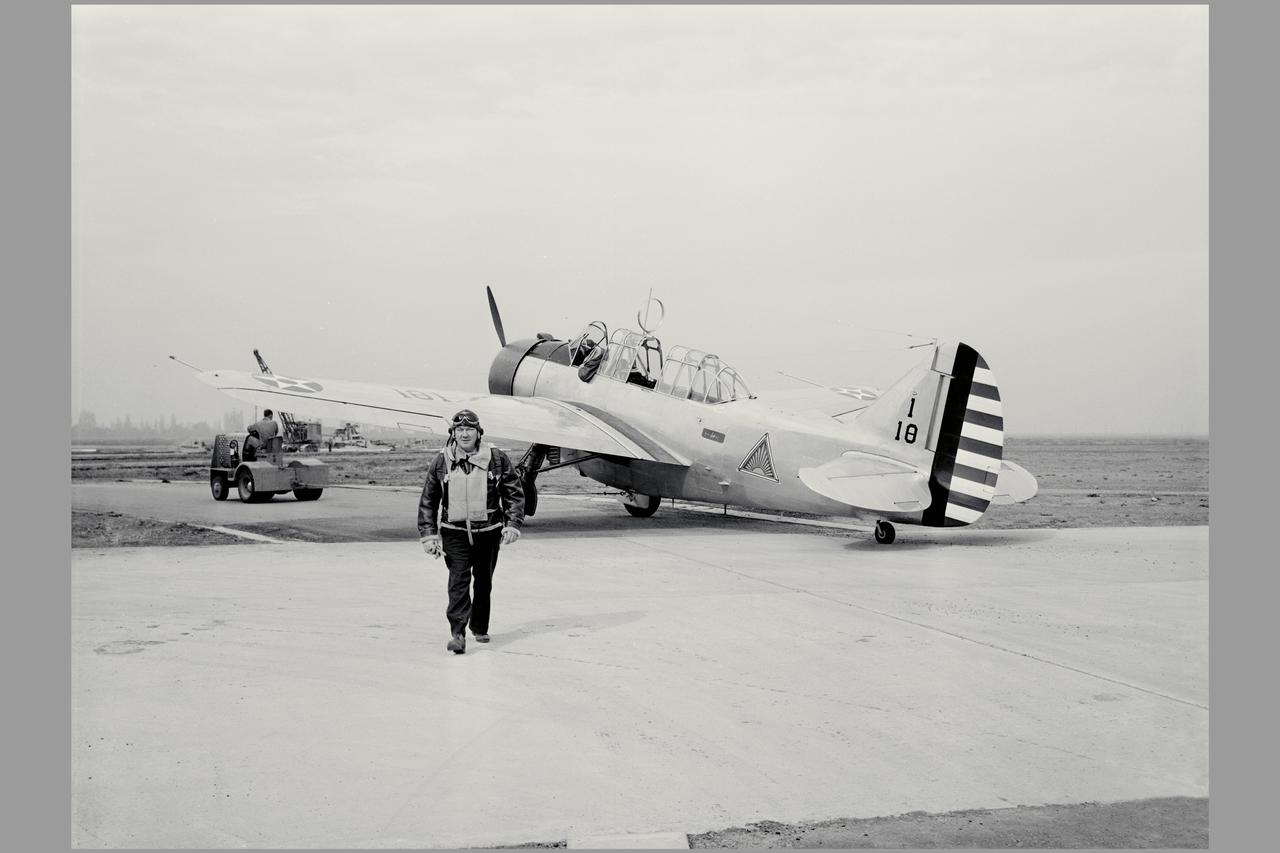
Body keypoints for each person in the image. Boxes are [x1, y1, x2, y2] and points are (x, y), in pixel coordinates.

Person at [417, 409, 525, 654]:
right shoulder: (441, 461)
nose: (464, 434)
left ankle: (480, 626)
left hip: (488, 531)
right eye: (459, 430)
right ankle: (458, 633)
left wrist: (513, 524)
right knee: (458, 582)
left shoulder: (497, 459)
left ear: (478, 433)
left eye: (469, 429)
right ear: (453, 434)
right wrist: (429, 535)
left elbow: (514, 493)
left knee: (484, 582)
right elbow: (428, 500)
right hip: (454, 532)